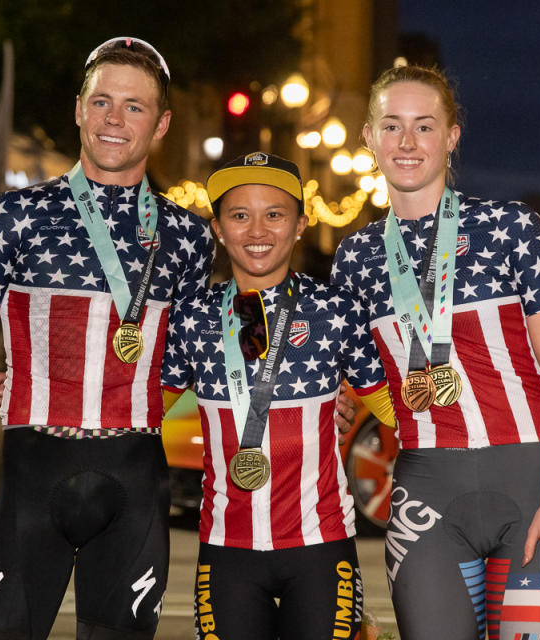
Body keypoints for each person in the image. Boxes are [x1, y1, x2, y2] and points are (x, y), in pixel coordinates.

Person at [0, 37, 215, 640]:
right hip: (31, 474)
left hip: (135, 479)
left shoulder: (189, 236)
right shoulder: (11, 216)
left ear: (161, 123)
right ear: (79, 110)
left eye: (135, 107)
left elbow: (192, 360)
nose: (115, 119)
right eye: (102, 102)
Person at [331, 65, 540, 640]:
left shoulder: (513, 228)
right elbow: (351, 370)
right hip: (427, 494)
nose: (407, 142)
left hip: (531, 487)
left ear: (451, 135)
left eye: (424, 126)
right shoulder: (357, 257)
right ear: (369, 137)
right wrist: (337, 399)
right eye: (391, 126)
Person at [161, 153, 397, 640]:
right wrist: (18, 388)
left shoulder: (336, 310)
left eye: (274, 214)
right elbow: (134, 406)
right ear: (218, 229)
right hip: (227, 549)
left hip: (320, 547)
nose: (257, 230)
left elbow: (395, 410)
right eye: (239, 215)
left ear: (300, 225)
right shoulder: (193, 316)